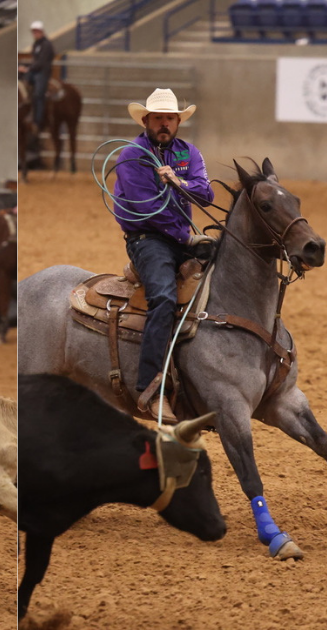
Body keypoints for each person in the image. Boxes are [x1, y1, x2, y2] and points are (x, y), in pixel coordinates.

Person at [112, 88, 214, 421]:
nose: (165, 124)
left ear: (177, 121)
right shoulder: (131, 155)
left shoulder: (188, 152)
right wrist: (187, 235)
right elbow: (147, 210)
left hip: (182, 236)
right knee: (164, 298)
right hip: (147, 239)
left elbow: (206, 194)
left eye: (170, 118)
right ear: (146, 120)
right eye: (158, 118)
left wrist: (179, 185)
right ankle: (149, 388)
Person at [18, 20, 54, 130]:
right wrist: (24, 67)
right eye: (33, 32)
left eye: (36, 32)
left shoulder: (46, 45)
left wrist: (28, 68)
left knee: (38, 95)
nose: (35, 34)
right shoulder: (36, 44)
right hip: (35, 70)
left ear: (41, 32)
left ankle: (37, 121)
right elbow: (35, 60)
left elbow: (42, 62)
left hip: (43, 72)